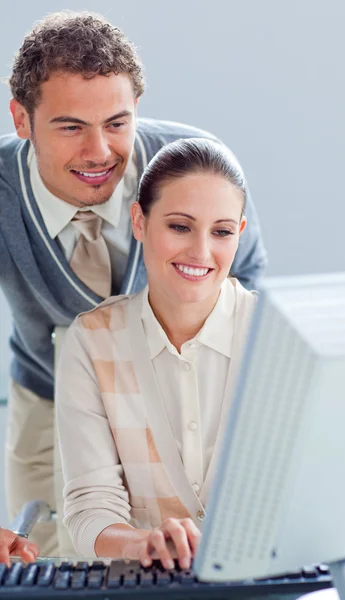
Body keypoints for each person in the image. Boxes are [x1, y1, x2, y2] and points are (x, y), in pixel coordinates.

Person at [0, 11, 266, 556]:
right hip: (48, 385)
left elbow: (248, 289)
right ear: (21, 119)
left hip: (177, 380)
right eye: (71, 126)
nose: (100, 152)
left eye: (117, 123)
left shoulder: (194, 172)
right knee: (46, 559)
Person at [56, 137, 257, 568]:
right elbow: (91, 509)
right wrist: (141, 544)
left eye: (221, 231)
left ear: (238, 234)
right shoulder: (92, 341)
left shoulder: (276, 336)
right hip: (143, 589)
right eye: (180, 226)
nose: (201, 252)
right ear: (140, 221)